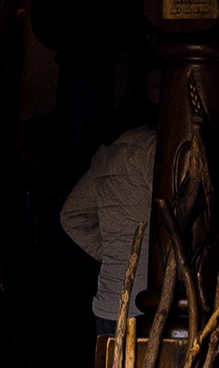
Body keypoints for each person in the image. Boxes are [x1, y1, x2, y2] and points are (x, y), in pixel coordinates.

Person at [56, 91, 159, 325]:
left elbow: (71, 216)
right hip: (146, 303)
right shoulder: (153, 147)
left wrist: (113, 252)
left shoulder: (105, 155)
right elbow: (175, 208)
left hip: (108, 302)